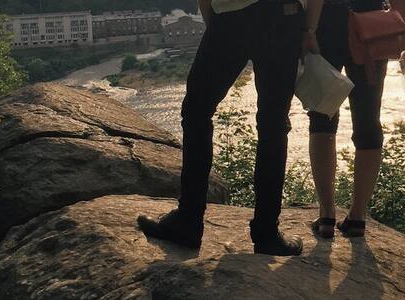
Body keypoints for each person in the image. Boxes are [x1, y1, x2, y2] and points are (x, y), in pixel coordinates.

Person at [137, 0, 324, 256]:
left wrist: (216, 26)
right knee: (273, 125)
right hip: (283, 16)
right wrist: (309, 29)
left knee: (197, 112)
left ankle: (189, 220)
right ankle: (267, 233)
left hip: (232, 16)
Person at [308, 0, 405, 238]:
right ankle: (358, 217)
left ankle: (326, 214)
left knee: (321, 117)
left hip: (325, 23)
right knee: (368, 120)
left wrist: (307, 30)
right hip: (372, 24)